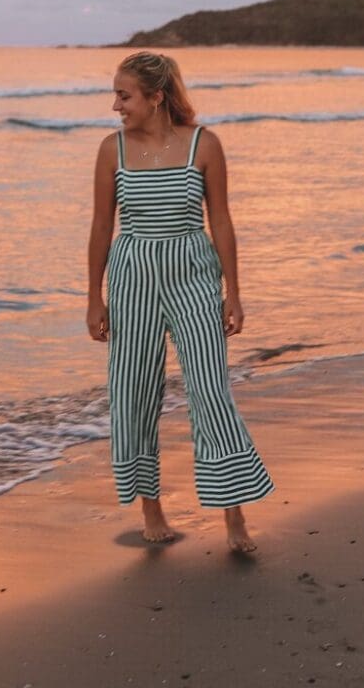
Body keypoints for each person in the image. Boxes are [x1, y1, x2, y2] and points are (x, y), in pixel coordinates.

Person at [86, 51, 273, 552]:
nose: (116, 106)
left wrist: (234, 291)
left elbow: (223, 222)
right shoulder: (112, 151)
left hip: (193, 272)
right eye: (116, 95)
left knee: (210, 390)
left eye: (124, 96)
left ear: (156, 97)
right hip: (132, 275)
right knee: (134, 391)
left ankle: (233, 514)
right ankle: (152, 508)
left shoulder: (204, 145)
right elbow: (103, 227)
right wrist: (93, 297)